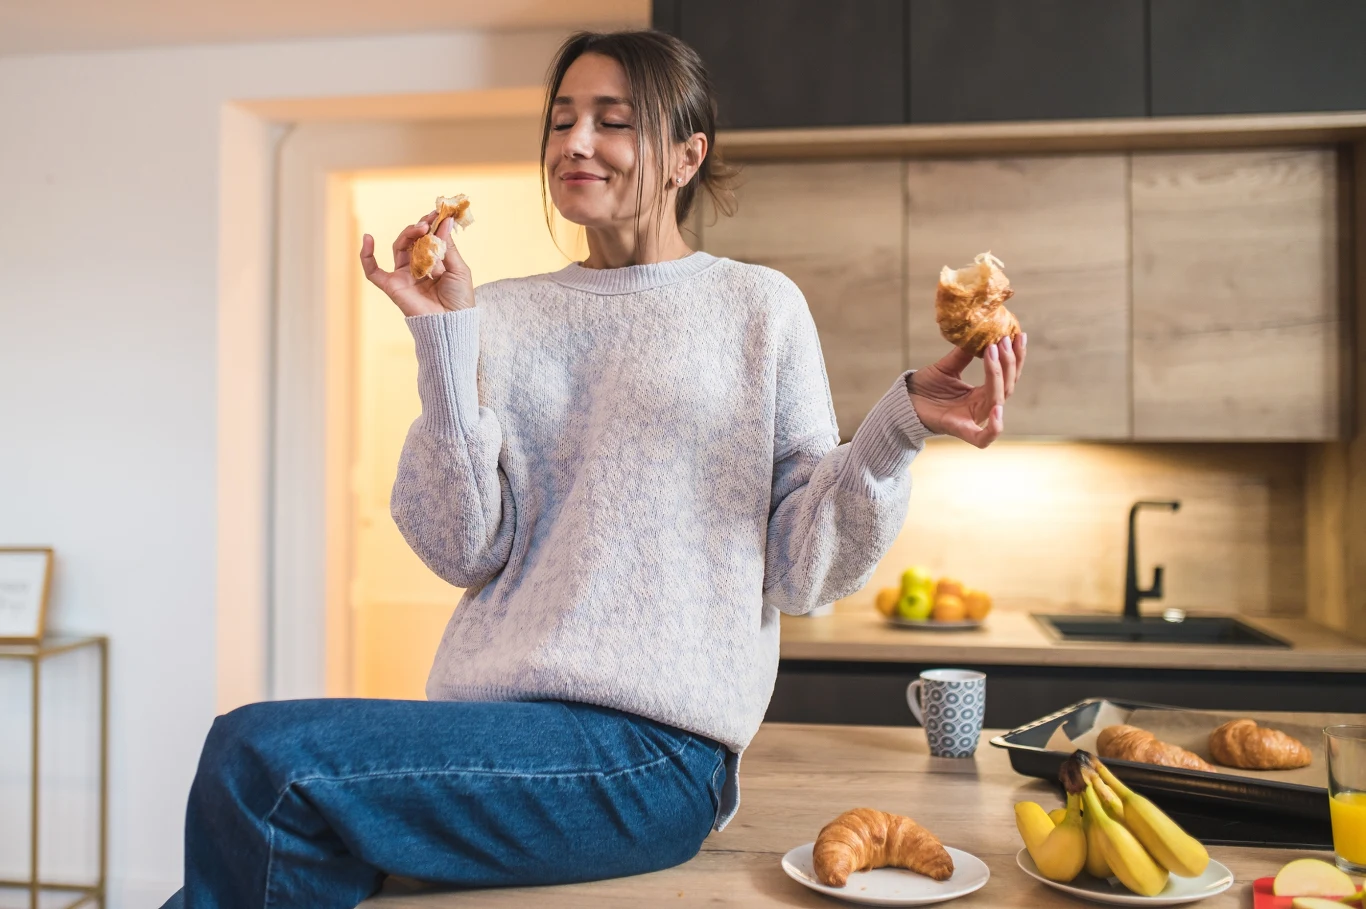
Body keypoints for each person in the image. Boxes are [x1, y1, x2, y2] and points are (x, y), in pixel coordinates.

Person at [160, 28, 1024, 909]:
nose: (574, 143)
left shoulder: (758, 308)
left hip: (653, 752)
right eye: (562, 119)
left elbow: (803, 572)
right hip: (494, 727)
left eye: (611, 122)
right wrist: (444, 341)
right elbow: (464, 547)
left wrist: (896, 428)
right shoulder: (494, 312)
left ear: (687, 155)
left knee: (258, 758)